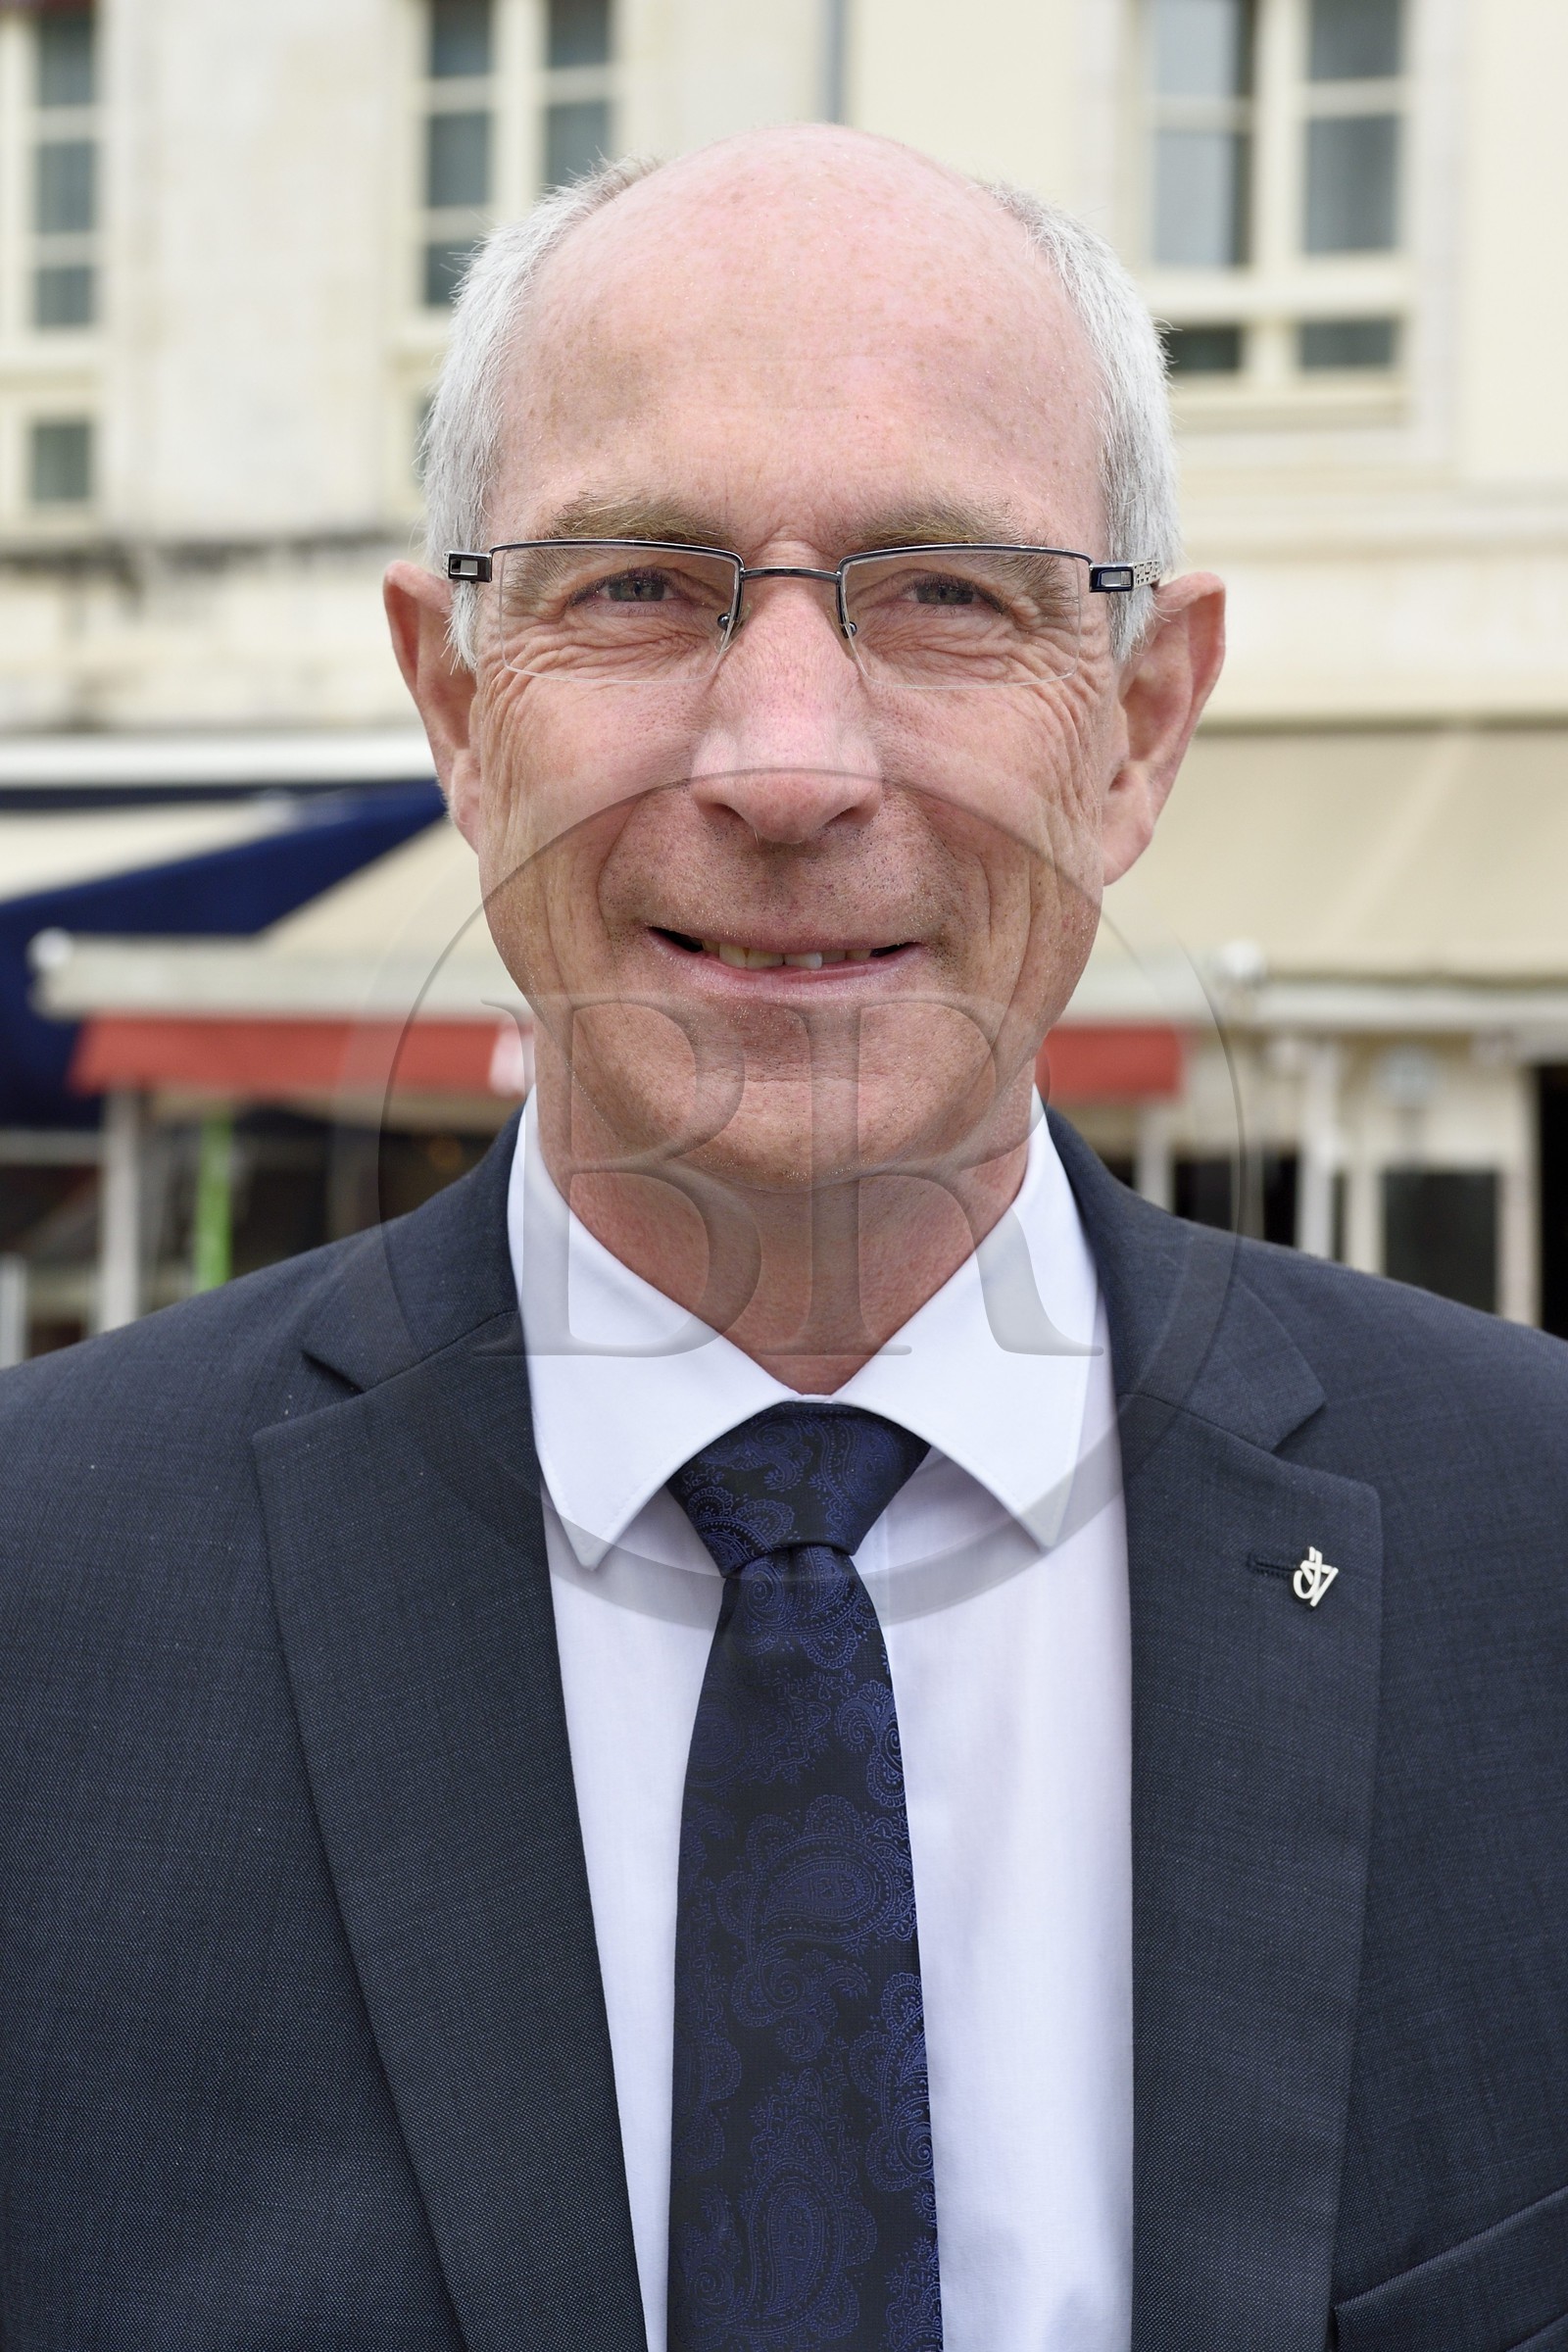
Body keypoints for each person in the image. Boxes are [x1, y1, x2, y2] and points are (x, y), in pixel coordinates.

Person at [3, 124, 1566, 2352]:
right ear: (456, 706)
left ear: (1135, 727)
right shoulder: (38, 1617)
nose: (787, 759)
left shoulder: (1540, 1562)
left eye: (945, 592)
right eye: (634, 584)